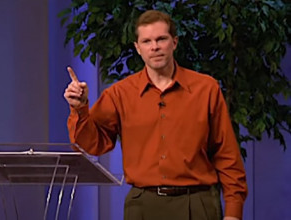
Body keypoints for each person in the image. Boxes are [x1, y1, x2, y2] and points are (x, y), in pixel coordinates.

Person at [64, 10, 247, 220]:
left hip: (197, 204)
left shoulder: (206, 89)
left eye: (161, 39)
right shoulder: (119, 94)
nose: (155, 47)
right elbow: (92, 144)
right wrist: (80, 107)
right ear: (138, 48)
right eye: (147, 41)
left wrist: (233, 212)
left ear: (174, 42)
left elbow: (227, 155)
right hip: (143, 205)